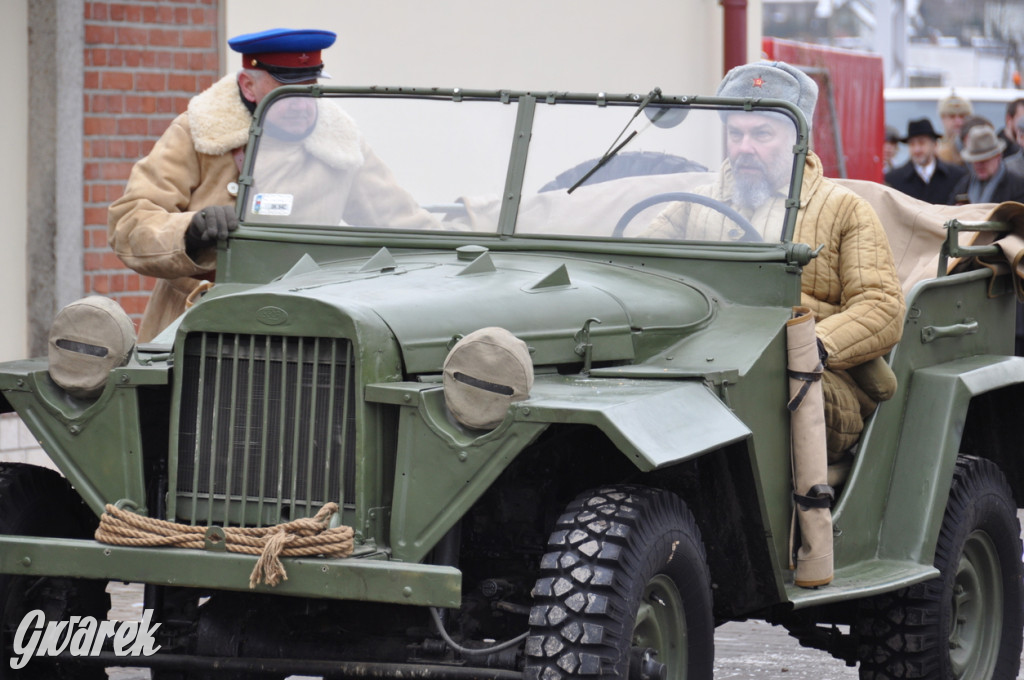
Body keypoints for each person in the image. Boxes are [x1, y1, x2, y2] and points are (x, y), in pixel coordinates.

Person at [645, 61, 906, 463]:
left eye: (762, 133)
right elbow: (636, 267)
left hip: (817, 377)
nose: (744, 147)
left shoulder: (843, 209)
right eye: (736, 133)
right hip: (702, 361)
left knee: (769, 392)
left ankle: (809, 518)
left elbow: (882, 307)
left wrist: (814, 346)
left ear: (798, 137)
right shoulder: (695, 204)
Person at [108, 28, 435, 342]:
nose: (301, 102)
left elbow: (403, 223)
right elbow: (130, 221)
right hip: (195, 325)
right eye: (286, 91)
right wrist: (190, 230)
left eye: (311, 89)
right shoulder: (197, 133)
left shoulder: (341, 145)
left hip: (307, 325)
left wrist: (478, 234)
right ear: (248, 86)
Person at [884, 118, 965, 203]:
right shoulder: (893, 180)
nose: (917, 149)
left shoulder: (957, 176)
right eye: (912, 144)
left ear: (935, 145)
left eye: (921, 143)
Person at [948, 125, 1024, 205]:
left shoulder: (1017, 186)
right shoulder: (965, 185)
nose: (979, 165)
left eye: (984, 160)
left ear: (998, 156)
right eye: (975, 161)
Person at [936, 92, 973, 167]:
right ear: (942, 119)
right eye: (952, 117)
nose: (958, 122)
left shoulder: (976, 146)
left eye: (962, 116)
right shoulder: (935, 149)